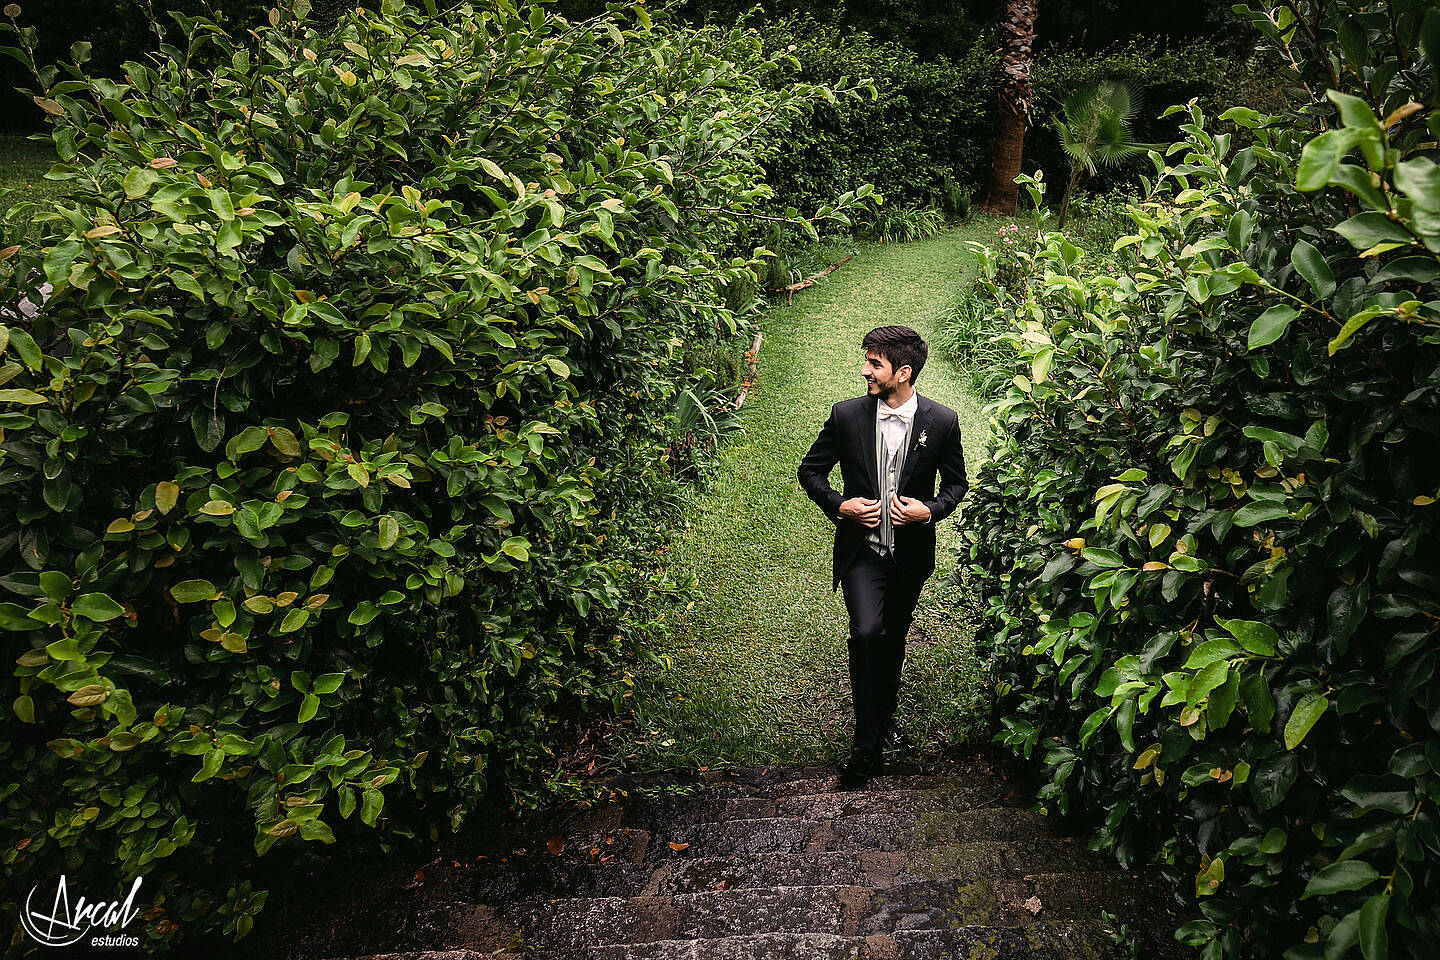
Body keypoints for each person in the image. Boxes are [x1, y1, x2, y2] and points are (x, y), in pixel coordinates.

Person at [796, 325, 968, 789]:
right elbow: (810, 471)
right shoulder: (846, 416)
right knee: (867, 631)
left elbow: (956, 484)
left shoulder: (942, 421)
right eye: (867, 361)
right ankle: (866, 746)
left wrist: (929, 510)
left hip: (910, 557)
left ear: (903, 372)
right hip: (862, 553)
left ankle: (884, 718)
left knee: (893, 638)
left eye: (875, 364)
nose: (865, 371)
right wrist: (840, 505)